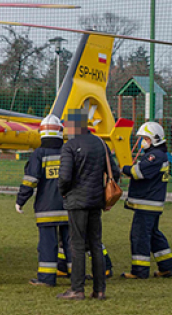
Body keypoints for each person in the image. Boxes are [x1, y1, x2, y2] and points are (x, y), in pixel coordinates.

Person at [57, 110, 119, 301]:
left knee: (76, 245)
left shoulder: (70, 146)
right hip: (96, 200)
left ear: (73, 125)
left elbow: (65, 177)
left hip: (76, 201)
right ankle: (100, 290)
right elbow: (114, 172)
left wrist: (63, 191)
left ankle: (77, 289)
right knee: (96, 244)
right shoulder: (101, 144)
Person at [16, 114, 70, 287]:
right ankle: (77, 276)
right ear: (60, 131)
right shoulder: (68, 151)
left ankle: (47, 279)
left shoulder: (39, 154)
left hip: (47, 208)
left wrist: (20, 200)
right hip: (69, 207)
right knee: (71, 244)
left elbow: (30, 180)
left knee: (48, 244)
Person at [120, 122, 172, 279]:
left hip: (147, 203)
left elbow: (137, 172)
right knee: (153, 234)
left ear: (154, 139)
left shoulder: (155, 156)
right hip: (152, 203)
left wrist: (122, 168)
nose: (142, 142)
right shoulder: (158, 154)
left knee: (139, 236)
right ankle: (167, 267)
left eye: (145, 138)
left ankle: (139, 271)